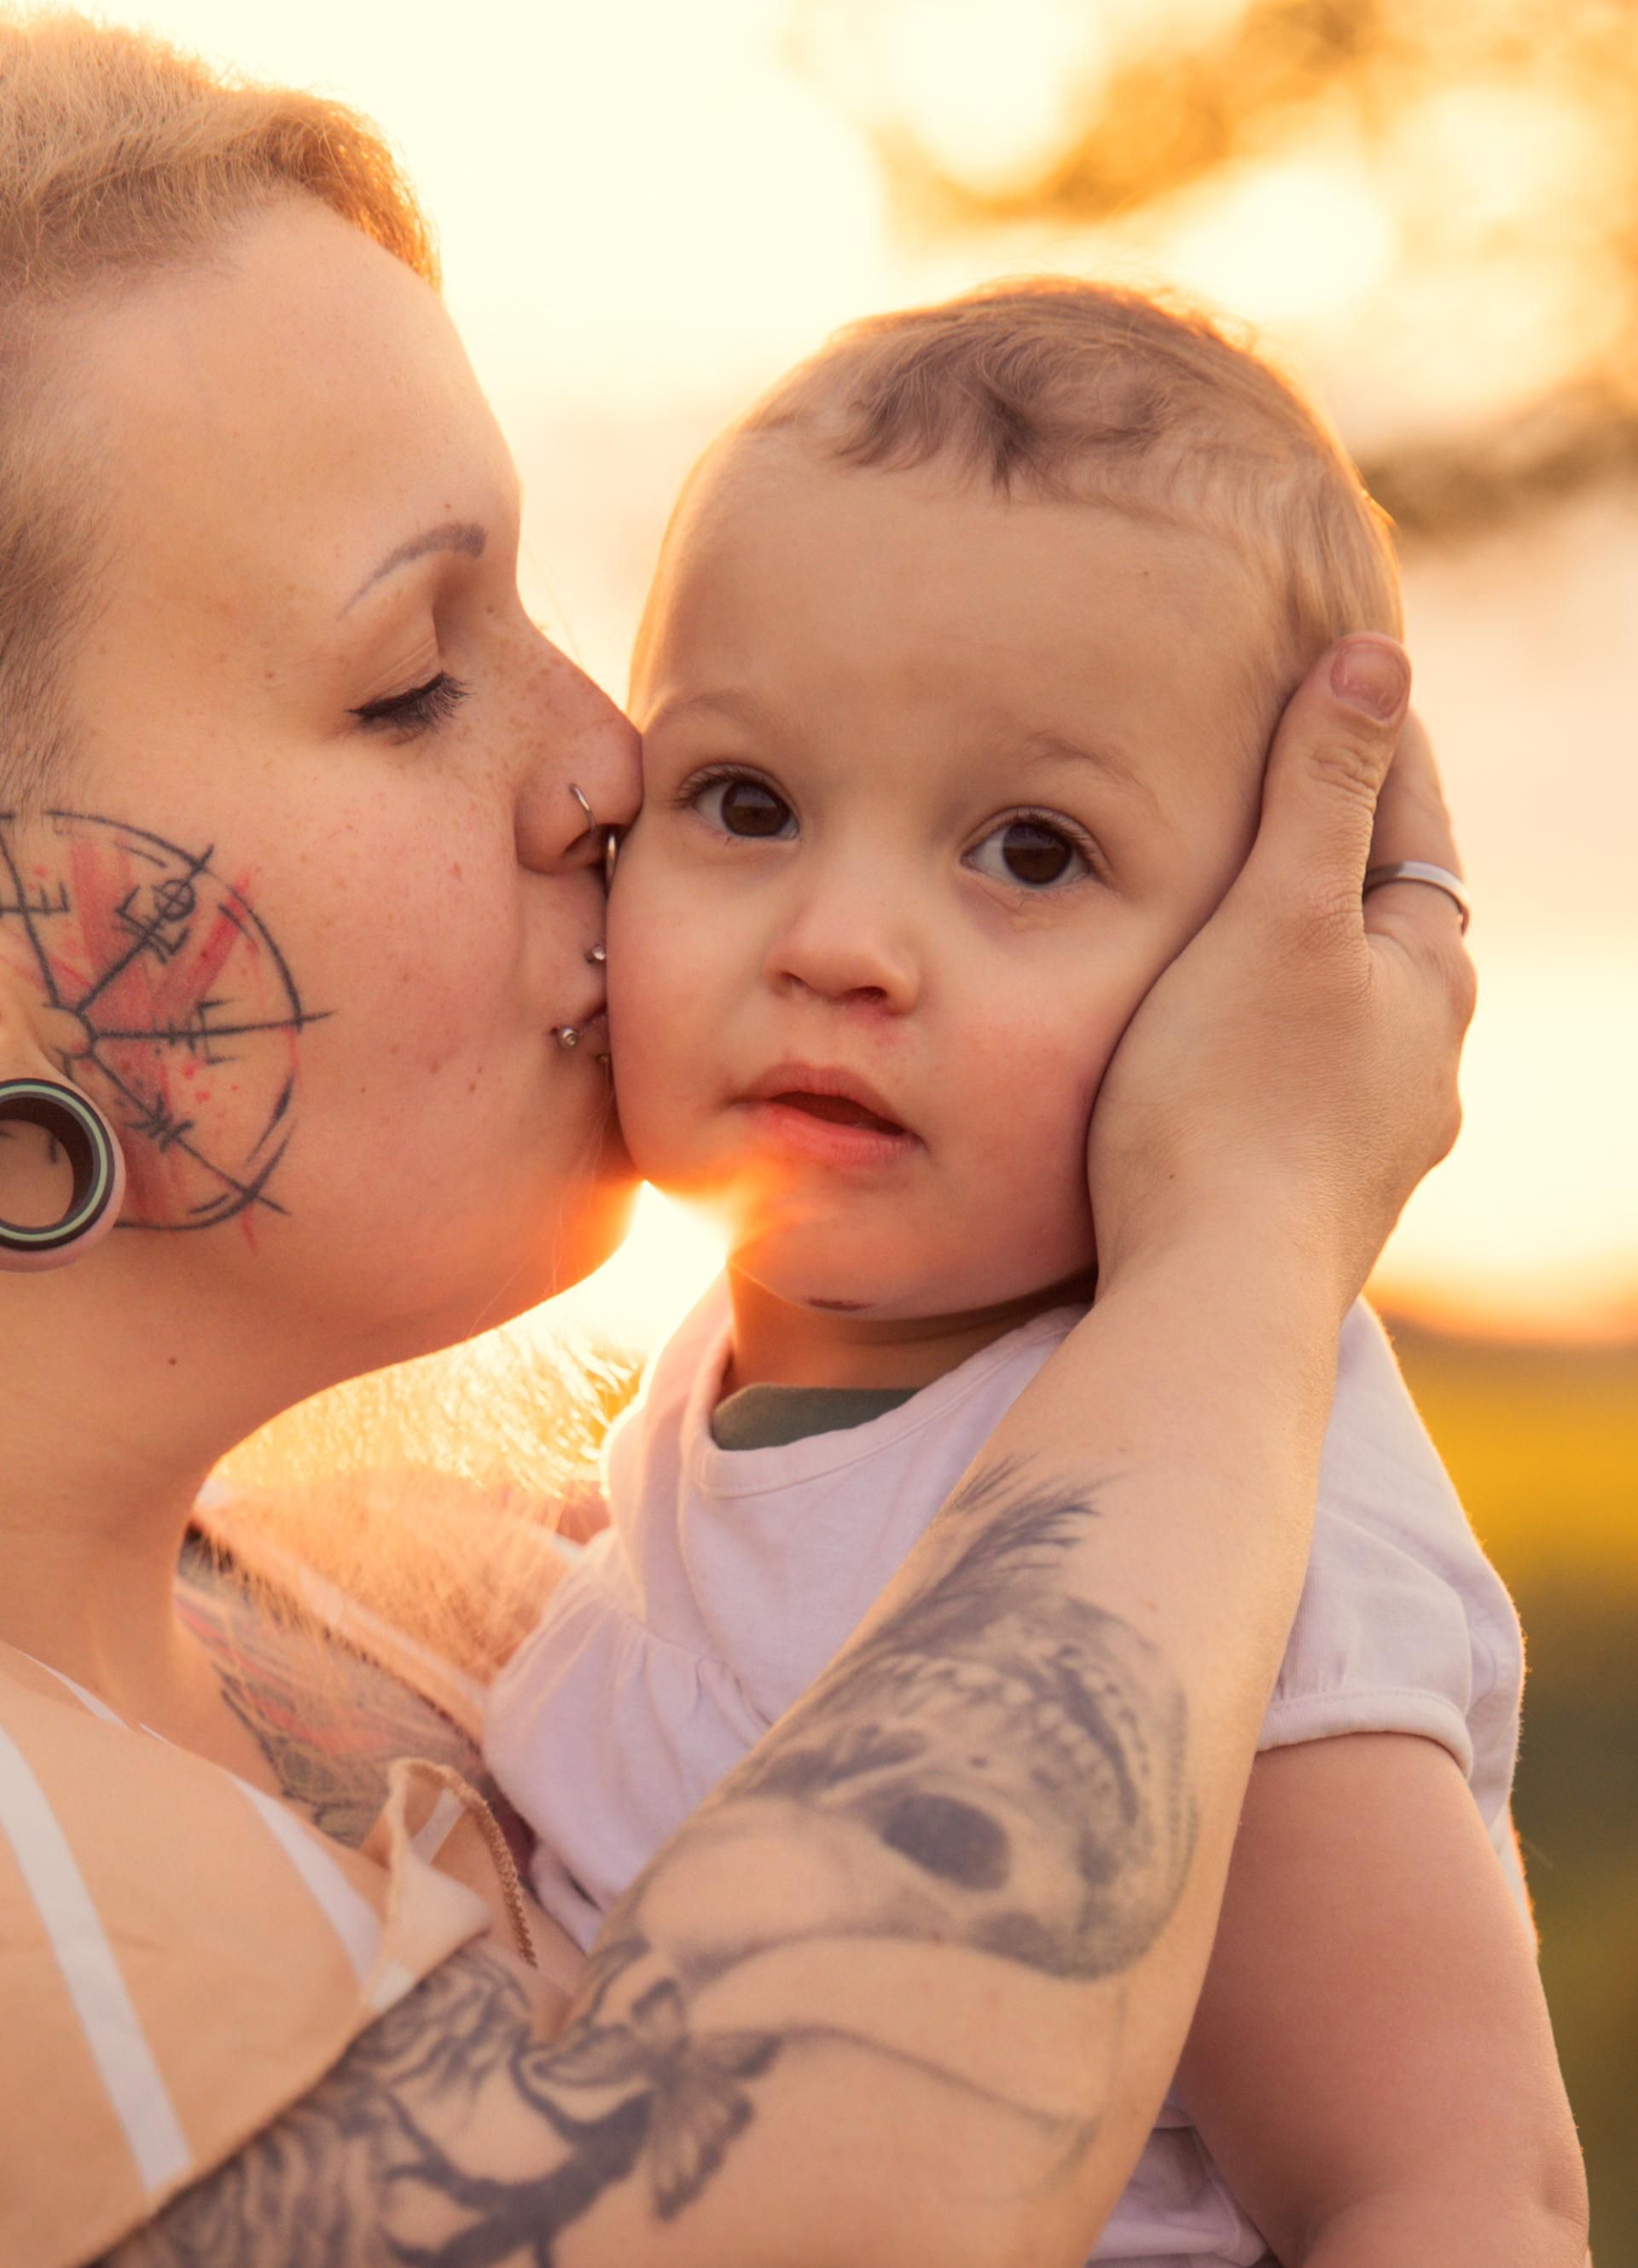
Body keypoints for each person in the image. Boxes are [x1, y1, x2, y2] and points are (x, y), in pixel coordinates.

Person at [0, 16, 1565, 2268]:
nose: (607, 765)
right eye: (414, 675)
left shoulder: (462, 1588)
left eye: (1027, 847)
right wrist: (1244, 1228)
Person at [485, 283, 1588, 2265]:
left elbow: (1448, 2190)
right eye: (747, 803)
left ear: (1270, 966)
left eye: (1030, 852)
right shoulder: (727, 1380)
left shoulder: (1244, 1546)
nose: (842, 941)